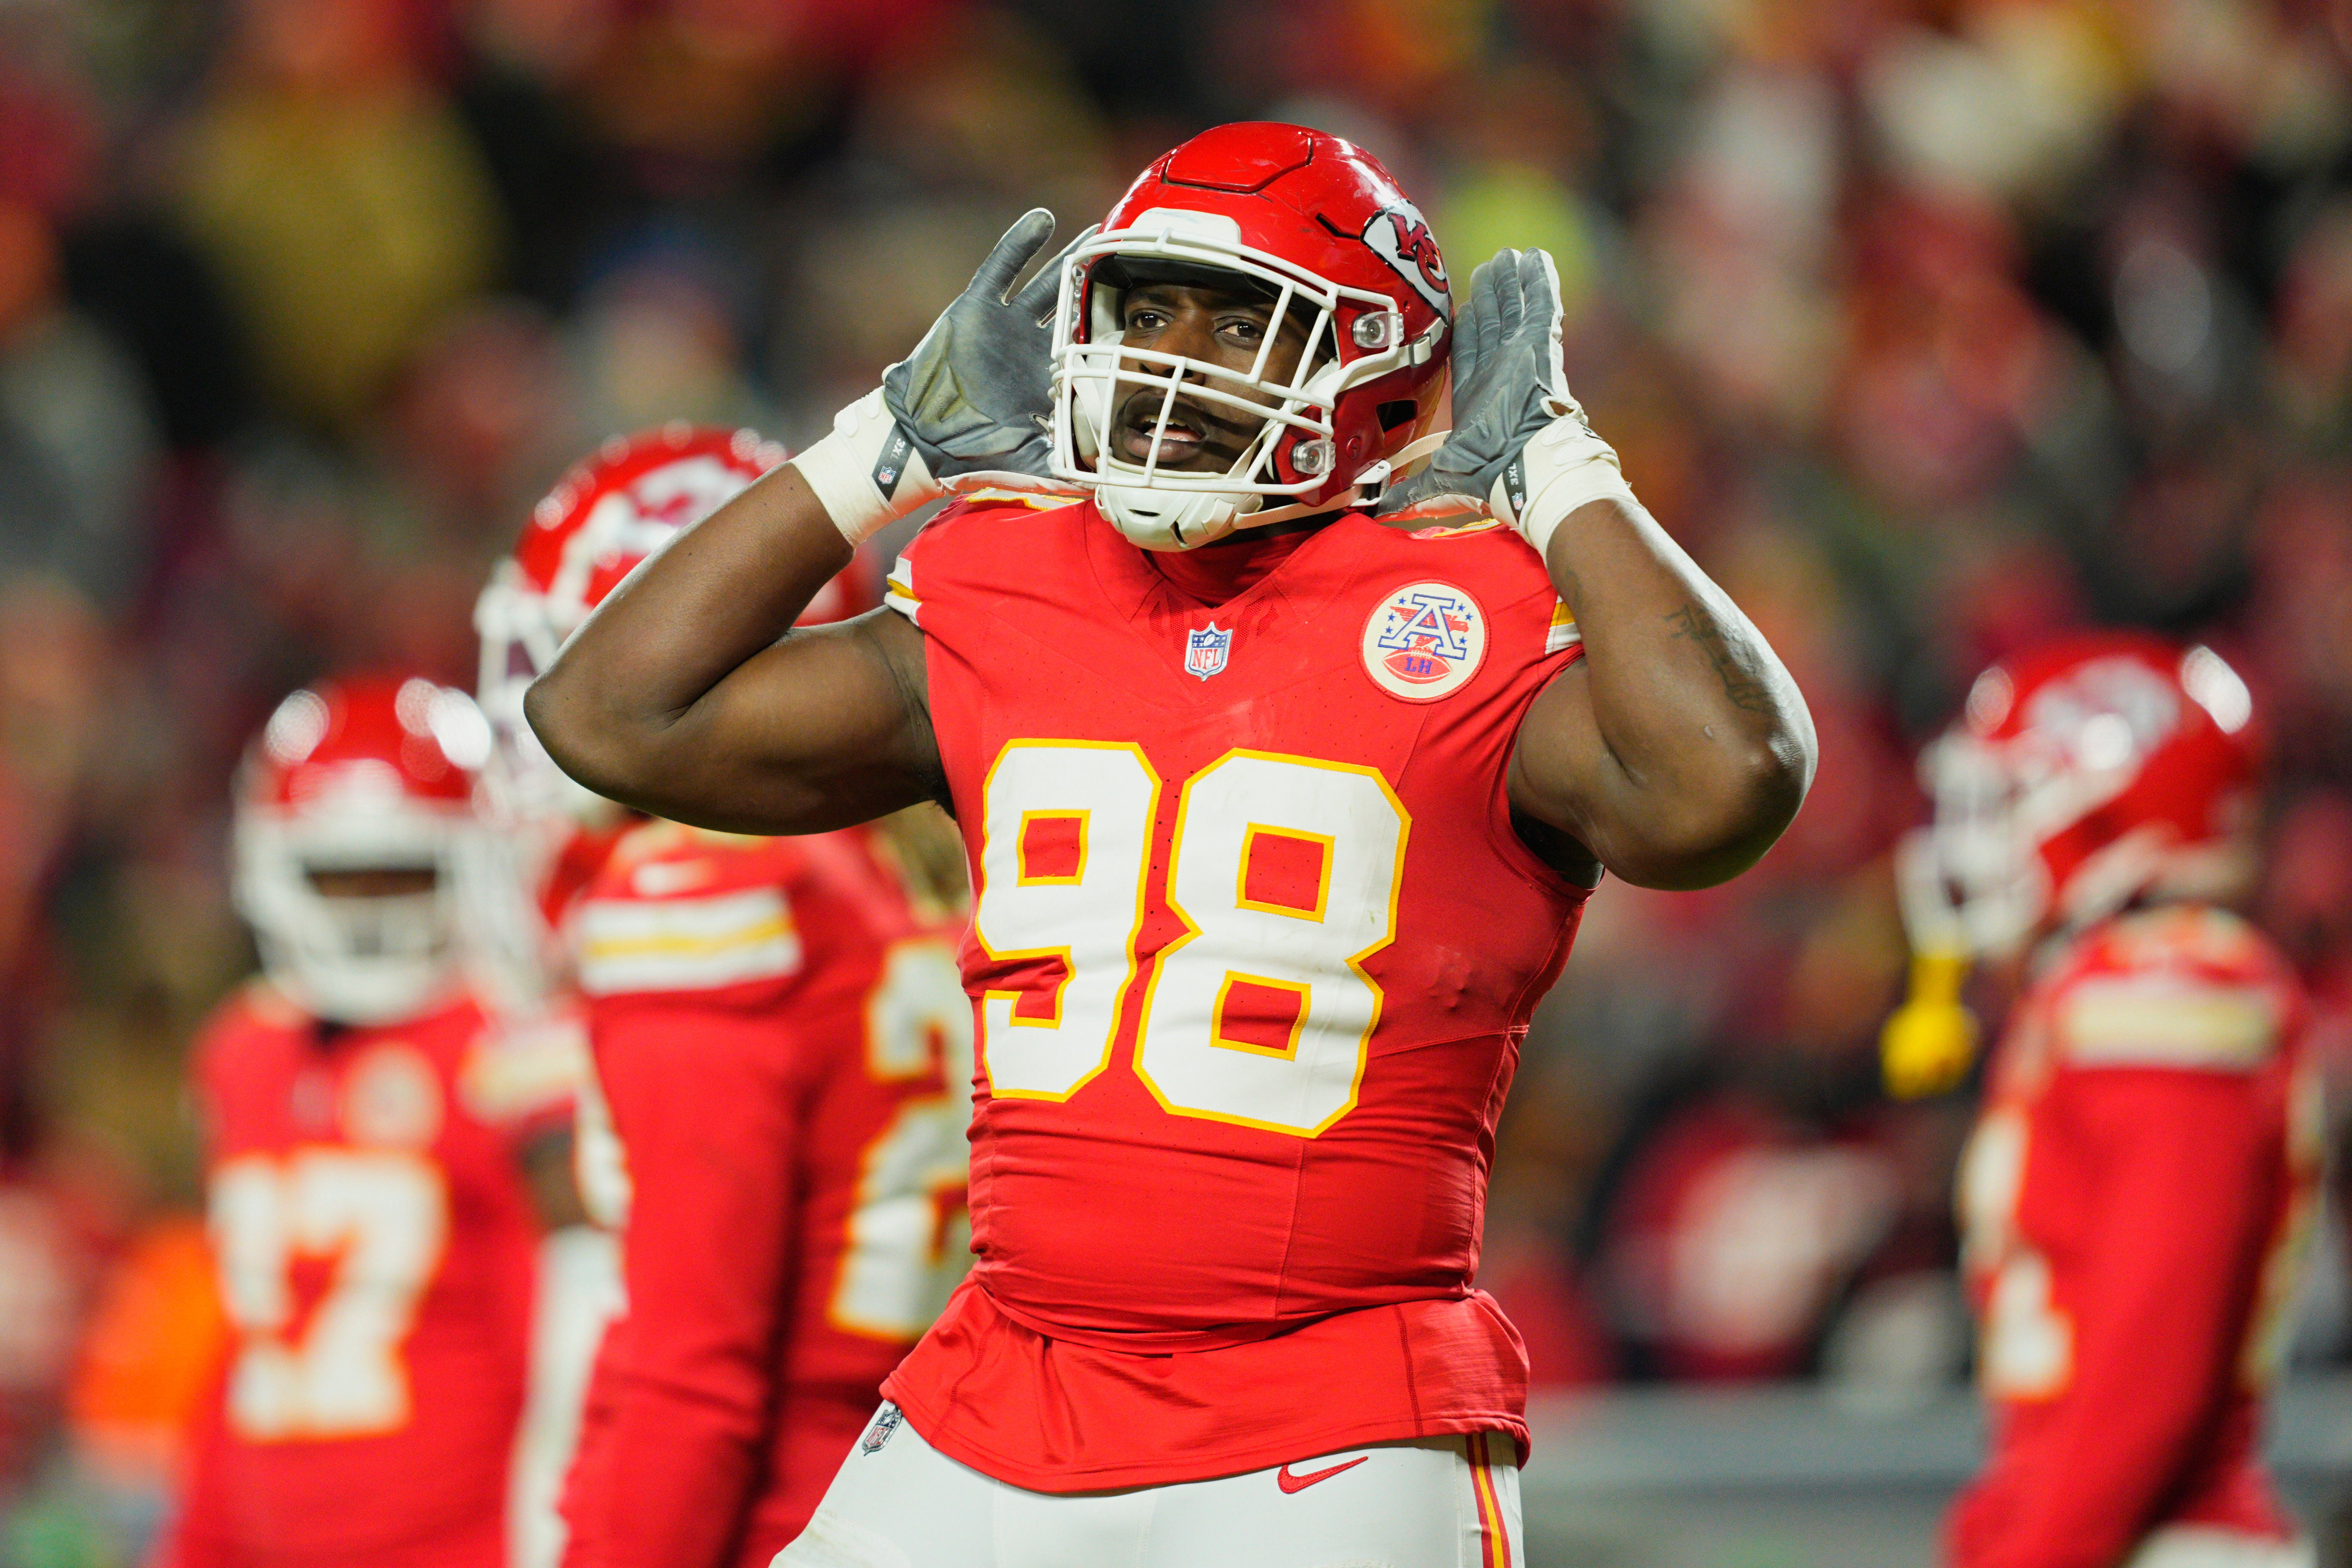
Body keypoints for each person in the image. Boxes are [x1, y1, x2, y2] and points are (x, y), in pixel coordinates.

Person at [526, 122, 1815, 1564]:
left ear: (1379, 369)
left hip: (1331, 1424)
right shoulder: (1008, 577)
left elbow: (1728, 783)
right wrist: (877, 450)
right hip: (1006, 1390)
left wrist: (1563, 476)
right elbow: (610, 714)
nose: (1176, 360)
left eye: (1246, 321)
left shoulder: (1473, 609)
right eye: (1146, 310)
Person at [478, 425, 976, 1568]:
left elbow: (689, 1384)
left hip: (777, 1519)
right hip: (938, 1486)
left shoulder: (703, 895)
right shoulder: (923, 863)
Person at [1883, 633, 2321, 1568]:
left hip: (2152, 1539)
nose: (1979, 836)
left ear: (2113, 807)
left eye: (2012, 799)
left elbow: (2149, 1359)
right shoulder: (2105, 991)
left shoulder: (2165, 988)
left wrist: (2036, 1549)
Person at [157, 673, 575, 1568]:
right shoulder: (245, 1051)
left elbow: (565, 1376)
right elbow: (247, 1346)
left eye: (400, 873)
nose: (370, 912)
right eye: (338, 878)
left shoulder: (509, 1058)